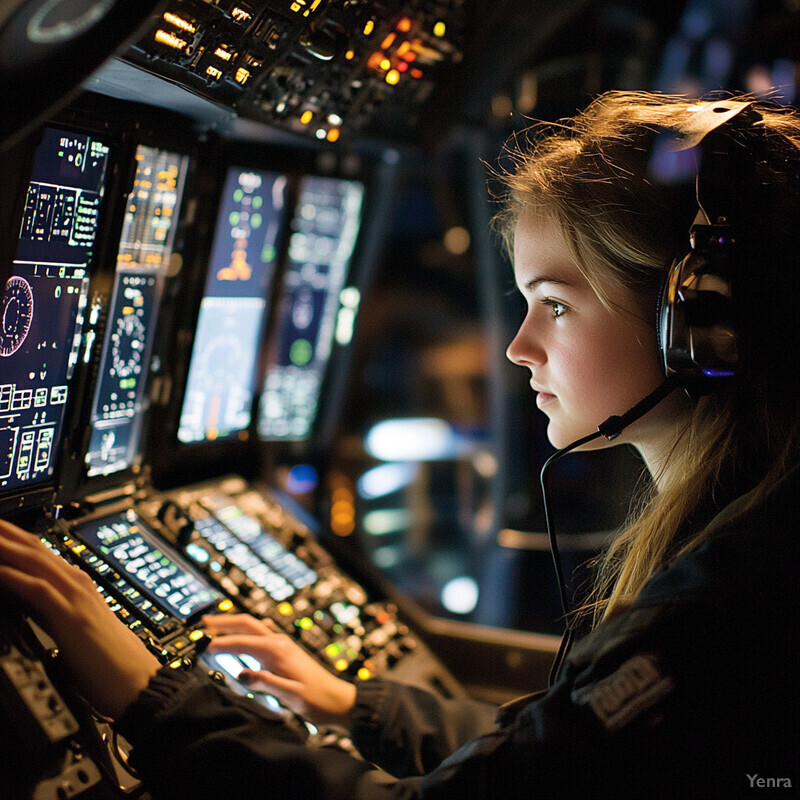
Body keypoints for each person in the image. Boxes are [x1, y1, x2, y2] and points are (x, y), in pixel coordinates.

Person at [1, 91, 799, 799]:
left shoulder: (719, 613)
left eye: (553, 305)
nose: (519, 347)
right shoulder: (748, 532)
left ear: (698, 324)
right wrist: (360, 704)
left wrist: (151, 695)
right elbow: (556, 762)